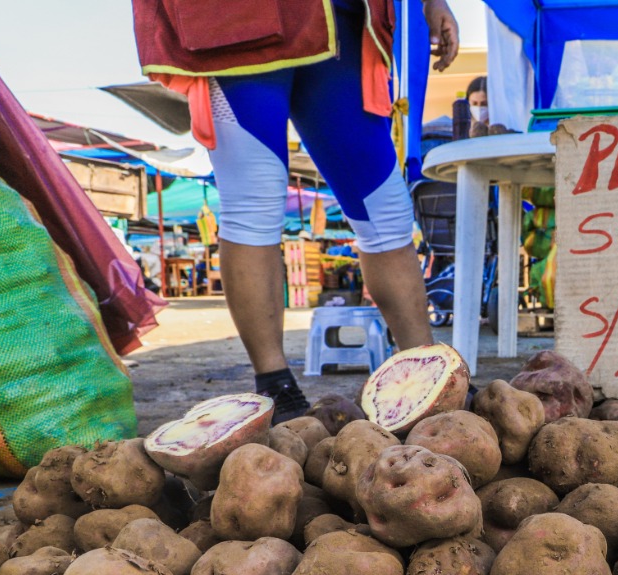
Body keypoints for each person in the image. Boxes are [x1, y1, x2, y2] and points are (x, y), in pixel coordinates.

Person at [132, 0, 459, 422]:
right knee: (253, 204)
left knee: (387, 212)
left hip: (344, 23)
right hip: (236, 22)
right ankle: (275, 385)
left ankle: (426, 372)